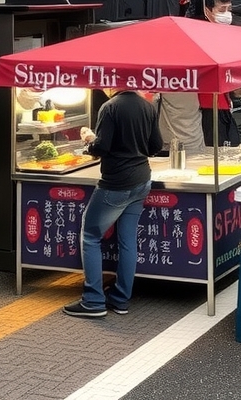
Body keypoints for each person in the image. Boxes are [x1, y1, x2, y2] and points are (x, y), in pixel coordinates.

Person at [63, 87, 162, 318]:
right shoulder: (147, 106)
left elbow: (101, 147)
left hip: (115, 183)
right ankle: (120, 299)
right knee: (127, 241)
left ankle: (93, 301)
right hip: (142, 180)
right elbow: (155, 146)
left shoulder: (110, 107)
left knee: (90, 236)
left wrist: (89, 141)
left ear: (111, 84)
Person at [190, 0, 241, 146]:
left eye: (229, 9)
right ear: (207, 10)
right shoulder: (197, 37)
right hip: (207, 107)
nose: (227, 14)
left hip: (222, 104)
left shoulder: (226, 35)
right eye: (222, 9)